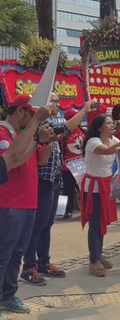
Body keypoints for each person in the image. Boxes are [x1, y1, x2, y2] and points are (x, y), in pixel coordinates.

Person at [21, 96, 92, 286]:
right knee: (37, 225)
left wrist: (84, 110)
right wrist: (84, 110)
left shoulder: (53, 121)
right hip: (41, 180)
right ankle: (29, 267)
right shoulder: (39, 123)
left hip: (54, 179)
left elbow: (67, 127)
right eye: (52, 100)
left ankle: (43, 262)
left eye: (57, 101)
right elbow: (66, 128)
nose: (56, 104)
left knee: (47, 223)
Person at [0, 96, 54, 315]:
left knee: (16, 254)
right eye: (31, 115)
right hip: (9, 203)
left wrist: (47, 141)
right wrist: (35, 138)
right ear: (20, 111)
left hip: (27, 203)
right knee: (3, 254)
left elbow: (42, 160)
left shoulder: (25, 135)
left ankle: (8, 295)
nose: (34, 120)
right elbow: (13, 161)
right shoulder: (3, 132)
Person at [81, 115, 120, 277]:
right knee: (95, 224)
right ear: (99, 127)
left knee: (102, 223)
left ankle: (98, 254)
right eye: (108, 123)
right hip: (93, 188)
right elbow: (106, 151)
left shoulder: (113, 140)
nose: (112, 125)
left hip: (107, 186)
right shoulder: (93, 142)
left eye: (112, 123)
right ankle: (94, 260)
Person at [62, 109, 85, 218]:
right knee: (68, 190)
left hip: (82, 165)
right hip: (68, 167)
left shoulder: (83, 130)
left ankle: (85, 210)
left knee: (84, 189)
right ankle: (67, 211)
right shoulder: (63, 133)